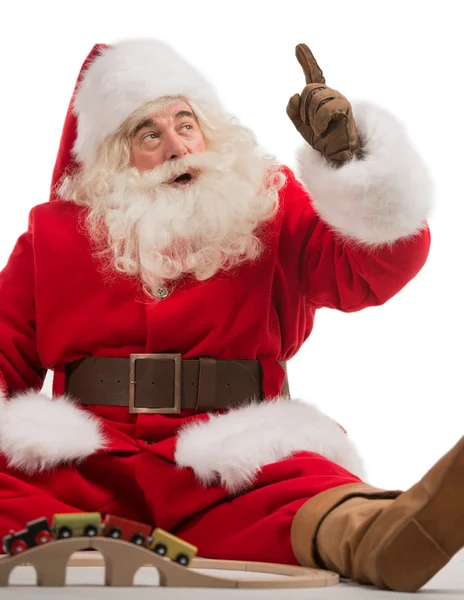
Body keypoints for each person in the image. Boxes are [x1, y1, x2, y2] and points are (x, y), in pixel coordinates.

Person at [0, 38, 460, 593]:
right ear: (112, 159)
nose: (176, 146)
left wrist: (351, 163)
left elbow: (372, 271)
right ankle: (92, 539)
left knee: (301, 494)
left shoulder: (266, 205)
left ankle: (382, 535)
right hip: (89, 468)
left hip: (230, 467)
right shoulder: (54, 235)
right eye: (150, 134)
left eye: (185, 123)